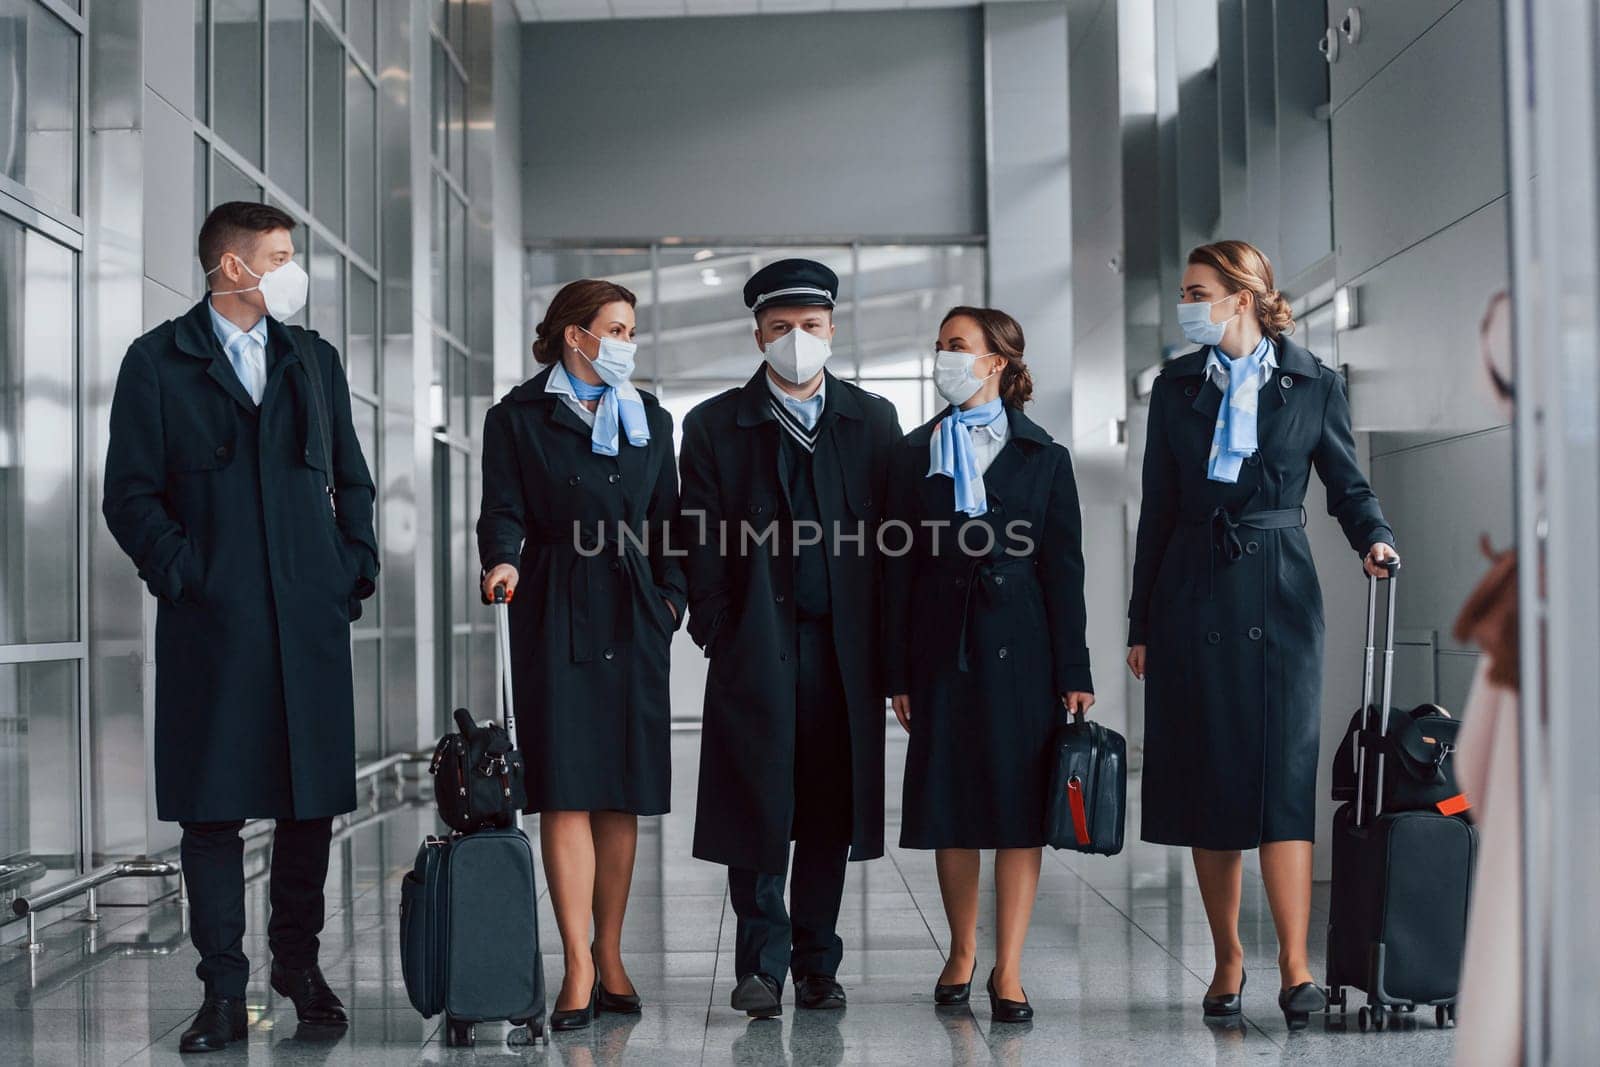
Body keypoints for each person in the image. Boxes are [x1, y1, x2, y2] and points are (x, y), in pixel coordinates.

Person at [102, 201, 378, 1053]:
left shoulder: (312, 359)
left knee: (309, 808)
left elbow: (354, 481)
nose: (293, 269)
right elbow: (129, 495)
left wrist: (349, 571)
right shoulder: (158, 362)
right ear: (233, 268)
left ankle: (297, 966)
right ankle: (222, 989)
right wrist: (190, 578)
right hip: (212, 628)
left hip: (307, 621)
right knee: (212, 811)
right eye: (281, 254)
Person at [1126, 239, 1399, 1030]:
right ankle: (1226, 958)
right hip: (1192, 591)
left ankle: (1296, 963)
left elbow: (1347, 483)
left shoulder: (1313, 381)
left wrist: (1373, 536)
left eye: (1198, 290)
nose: (1187, 303)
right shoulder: (1174, 386)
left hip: (1280, 591)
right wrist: (1142, 620)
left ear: (1242, 296)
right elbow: (1157, 511)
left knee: (1284, 776)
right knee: (1211, 781)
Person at [678, 259, 902, 1019]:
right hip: (755, 649)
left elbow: (895, 544)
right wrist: (717, 628)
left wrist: (889, 650)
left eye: (810, 327)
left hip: (845, 655)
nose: (796, 340)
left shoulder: (872, 421)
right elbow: (697, 537)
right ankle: (760, 967)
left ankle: (817, 964)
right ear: (757, 335)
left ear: (833, 330)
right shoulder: (713, 424)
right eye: (780, 329)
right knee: (758, 805)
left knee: (829, 812)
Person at [477, 279, 685, 1032]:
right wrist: (502, 559)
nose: (628, 342)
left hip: (634, 607)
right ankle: (578, 962)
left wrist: (671, 599)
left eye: (632, 329)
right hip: (556, 601)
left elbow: (670, 519)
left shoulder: (651, 417)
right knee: (566, 787)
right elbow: (501, 505)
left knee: (619, 790)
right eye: (617, 328)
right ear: (576, 336)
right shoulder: (517, 417)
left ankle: (614, 949)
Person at [884, 306, 1094, 1023]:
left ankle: (1009, 966)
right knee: (951, 809)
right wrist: (899, 672)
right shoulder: (915, 454)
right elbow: (897, 570)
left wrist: (1076, 669)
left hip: (1024, 649)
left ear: (996, 362)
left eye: (957, 345)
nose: (944, 355)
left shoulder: (1046, 456)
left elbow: (1065, 569)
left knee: (1016, 812)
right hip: (942, 645)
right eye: (939, 344)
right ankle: (962, 949)